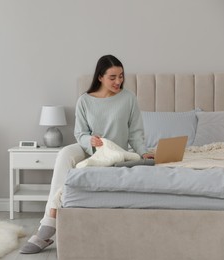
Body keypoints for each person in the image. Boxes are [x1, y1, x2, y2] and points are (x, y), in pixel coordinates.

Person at [20, 54, 153, 254]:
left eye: (121, 76)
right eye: (113, 77)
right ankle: (49, 217)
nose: (119, 81)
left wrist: (143, 153)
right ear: (100, 77)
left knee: (82, 165)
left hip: (114, 152)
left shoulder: (128, 98)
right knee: (65, 153)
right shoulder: (84, 100)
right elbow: (79, 133)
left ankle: (47, 226)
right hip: (88, 148)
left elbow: (135, 133)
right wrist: (89, 140)